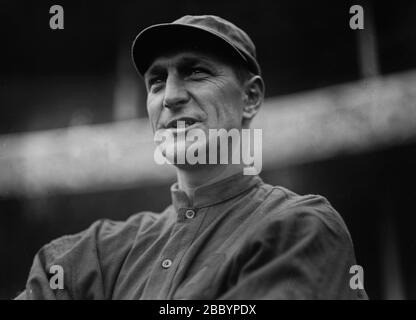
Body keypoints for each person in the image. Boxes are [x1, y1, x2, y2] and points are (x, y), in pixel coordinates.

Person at [15, 15, 368, 300]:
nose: (169, 96)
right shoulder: (97, 251)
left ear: (251, 98)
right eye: (156, 81)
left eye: (195, 71)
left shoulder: (298, 227)